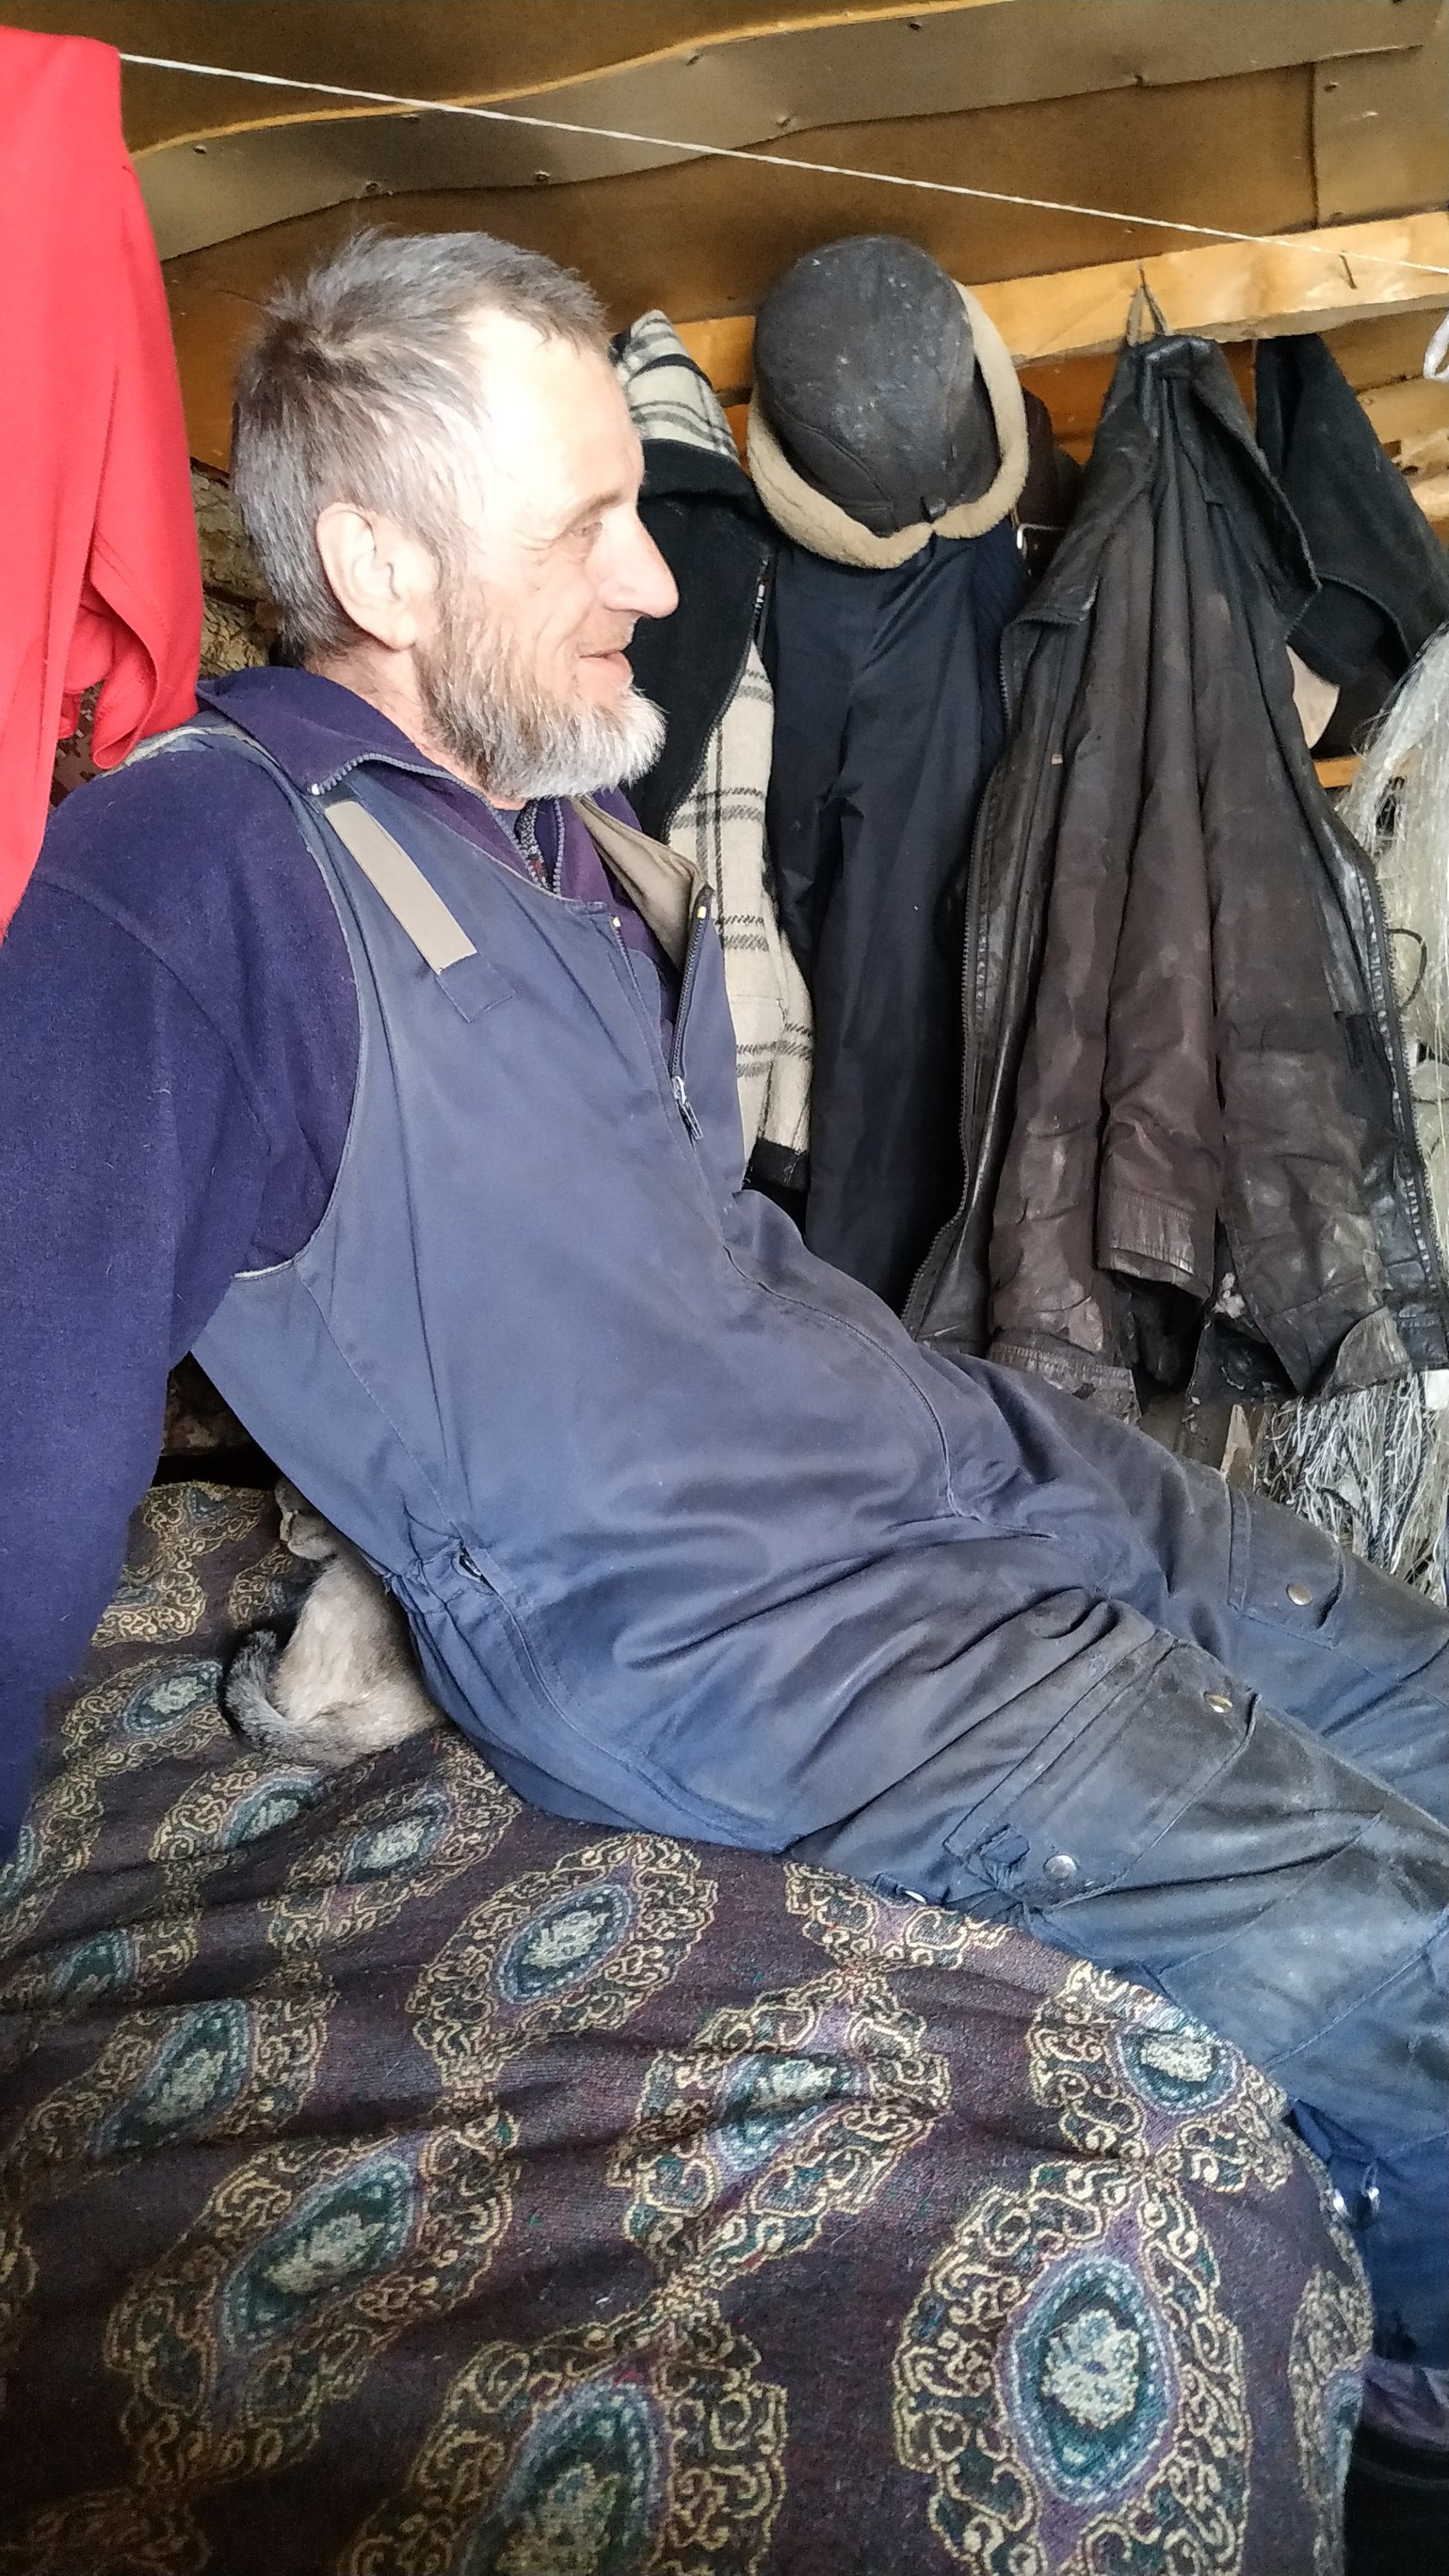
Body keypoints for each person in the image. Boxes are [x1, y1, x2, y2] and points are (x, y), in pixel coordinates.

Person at [1, 232, 1444, 2401]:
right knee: (1406, 1965)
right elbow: (22, 1434)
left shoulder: (565, 832)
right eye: (585, 523)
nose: (658, 578)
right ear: (383, 567)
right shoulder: (195, 875)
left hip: (961, 1466)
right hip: (760, 1639)